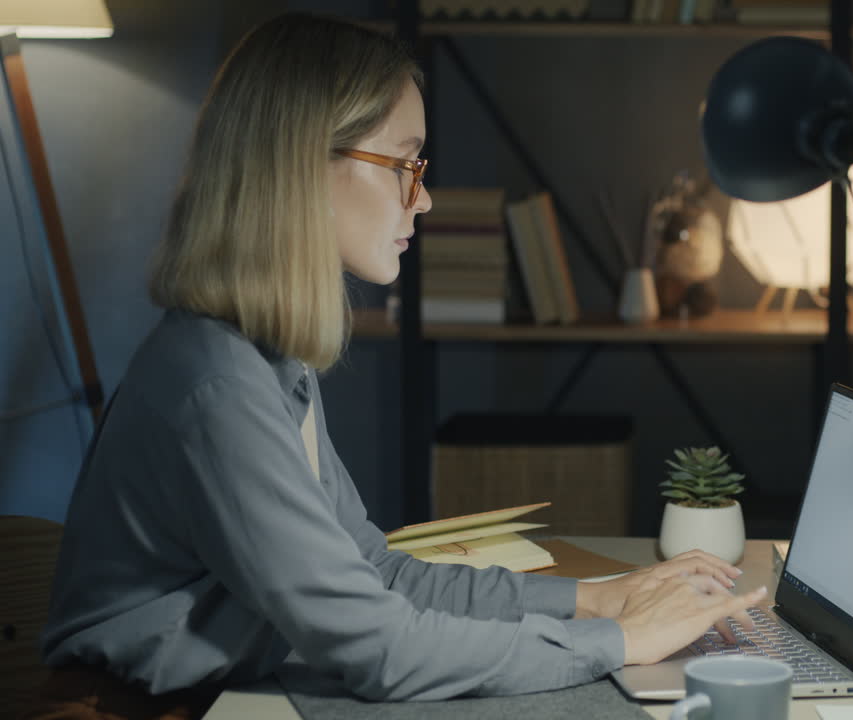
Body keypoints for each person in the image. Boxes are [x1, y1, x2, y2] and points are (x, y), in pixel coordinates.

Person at [30, 12, 766, 716]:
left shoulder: (264, 357)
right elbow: (379, 648)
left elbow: (374, 575)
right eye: (403, 165)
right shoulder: (218, 386)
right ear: (301, 167)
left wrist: (599, 598)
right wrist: (622, 641)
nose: (426, 197)